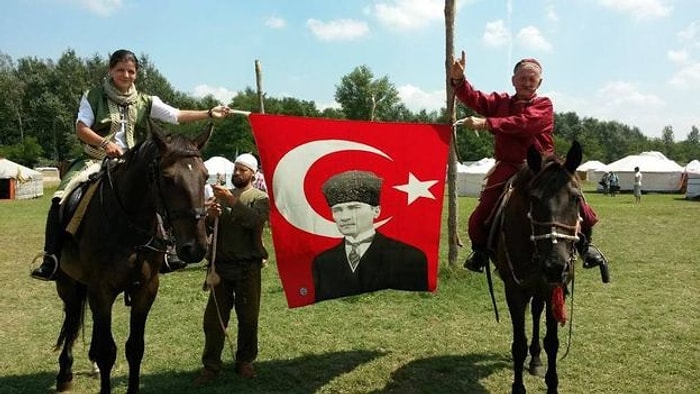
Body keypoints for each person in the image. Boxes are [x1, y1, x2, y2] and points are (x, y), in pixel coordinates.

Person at [30, 49, 230, 281]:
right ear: (111, 70)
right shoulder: (94, 96)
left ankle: (167, 252)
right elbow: (81, 128)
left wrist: (208, 113)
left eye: (131, 71)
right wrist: (105, 144)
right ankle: (51, 258)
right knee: (63, 197)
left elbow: (176, 116)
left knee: (162, 192)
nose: (126, 75)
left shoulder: (145, 100)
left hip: (133, 162)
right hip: (95, 159)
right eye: (121, 70)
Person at [449, 51, 609, 281]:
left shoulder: (544, 105)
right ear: (513, 80)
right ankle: (481, 252)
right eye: (522, 78)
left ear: (539, 82)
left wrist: (487, 123)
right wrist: (459, 81)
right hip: (508, 166)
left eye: (532, 79)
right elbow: (475, 98)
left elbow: (524, 124)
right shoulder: (500, 102)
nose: (526, 82)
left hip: (540, 168)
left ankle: (586, 247)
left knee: (577, 203)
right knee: (480, 215)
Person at [196, 153, 269, 384]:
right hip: (221, 267)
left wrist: (231, 202)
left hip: (248, 267)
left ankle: (245, 360)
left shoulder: (259, 197)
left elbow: (255, 221)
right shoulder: (221, 196)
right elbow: (209, 227)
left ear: (253, 174)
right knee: (213, 319)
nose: (237, 173)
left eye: (243, 170)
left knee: (248, 317)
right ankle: (211, 366)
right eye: (236, 169)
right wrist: (210, 216)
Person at [311, 170, 428, 302]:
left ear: (376, 211)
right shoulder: (322, 262)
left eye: (354, 208)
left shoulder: (409, 257)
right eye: (337, 210)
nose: (345, 217)